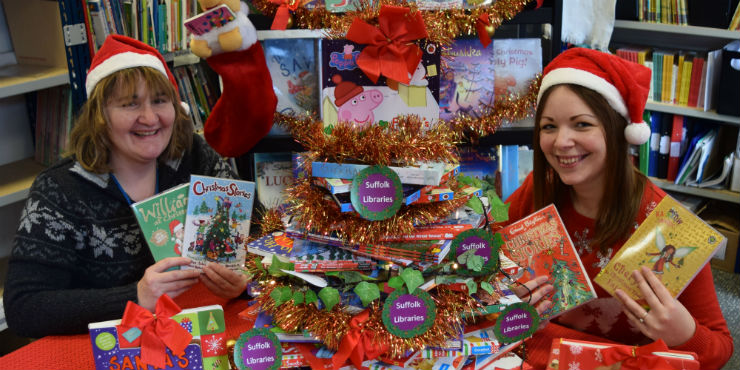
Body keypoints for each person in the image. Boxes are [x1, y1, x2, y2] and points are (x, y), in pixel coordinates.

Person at [3, 35, 249, 338]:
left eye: (159, 101)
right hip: (111, 347)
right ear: (100, 117)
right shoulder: (61, 189)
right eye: (130, 104)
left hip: (201, 329)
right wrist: (136, 296)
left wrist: (246, 279)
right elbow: (24, 307)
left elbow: (258, 231)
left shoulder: (194, 156)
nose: (149, 118)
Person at [504, 48, 733, 369]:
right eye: (549, 126)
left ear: (618, 130)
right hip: (539, 351)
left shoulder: (666, 224)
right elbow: (487, 261)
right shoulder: (537, 188)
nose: (561, 142)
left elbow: (720, 349)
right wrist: (504, 290)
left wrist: (684, 332)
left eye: (581, 124)